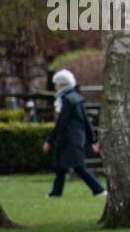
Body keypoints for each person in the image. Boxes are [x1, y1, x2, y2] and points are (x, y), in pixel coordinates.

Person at [43, 69, 105, 198]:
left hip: (70, 139)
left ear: (61, 85)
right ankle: (56, 193)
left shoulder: (67, 100)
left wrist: (49, 140)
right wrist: (93, 140)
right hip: (74, 138)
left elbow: (61, 123)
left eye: (56, 84)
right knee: (61, 166)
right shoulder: (76, 98)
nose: (55, 87)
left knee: (79, 167)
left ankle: (99, 190)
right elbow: (87, 122)